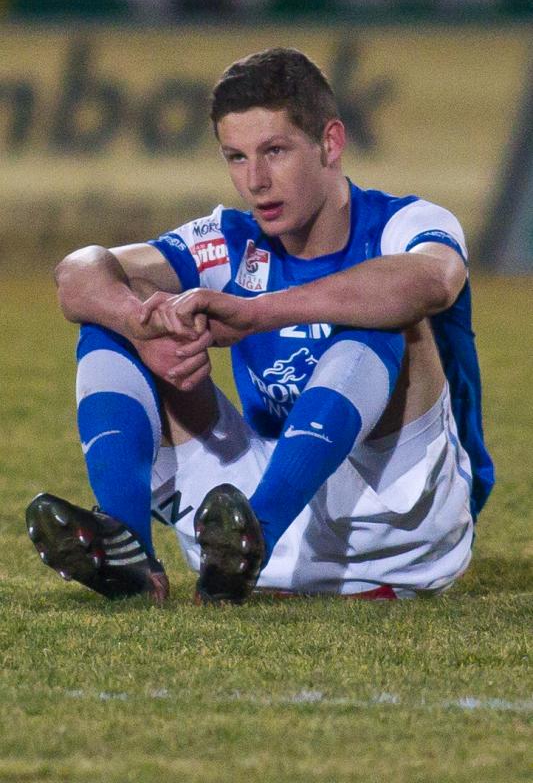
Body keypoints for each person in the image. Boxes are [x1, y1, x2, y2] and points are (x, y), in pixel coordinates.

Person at [26, 48, 494, 605]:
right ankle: (129, 550)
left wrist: (257, 313)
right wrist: (139, 323)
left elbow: (432, 282)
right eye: (237, 157)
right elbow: (77, 273)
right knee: (114, 316)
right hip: (244, 517)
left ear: (331, 143)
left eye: (275, 151)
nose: (256, 181)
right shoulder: (231, 239)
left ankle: (258, 534)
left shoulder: (405, 222)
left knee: (386, 316)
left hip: (398, 528)